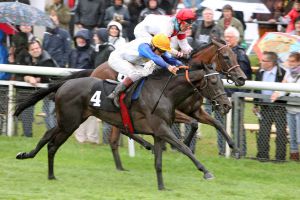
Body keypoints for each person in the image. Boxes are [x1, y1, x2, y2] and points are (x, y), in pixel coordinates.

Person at [107, 33, 181, 107]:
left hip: (131, 61)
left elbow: (170, 59)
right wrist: (168, 66)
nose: (162, 53)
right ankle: (115, 94)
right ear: (154, 46)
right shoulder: (144, 46)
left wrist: (184, 65)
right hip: (117, 58)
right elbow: (154, 57)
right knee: (135, 73)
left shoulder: (157, 47)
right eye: (161, 51)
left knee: (146, 74)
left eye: (164, 51)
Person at [214, 26, 252, 156]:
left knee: (236, 126)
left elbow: (243, 76)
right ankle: (222, 151)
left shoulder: (240, 54)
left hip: (235, 96)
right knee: (220, 125)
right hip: (221, 96)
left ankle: (240, 151)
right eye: (226, 36)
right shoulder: (222, 52)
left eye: (230, 36)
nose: (227, 38)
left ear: (237, 38)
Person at [253, 51, 287, 161]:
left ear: (271, 62)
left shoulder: (282, 72)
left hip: (279, 107)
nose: (261, 62)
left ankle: (280, 158)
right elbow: (257, 89)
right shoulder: (260, 72)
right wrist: (256, 104)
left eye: (263, 60)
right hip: (265, 107)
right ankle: (262, 156)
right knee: (263, 132)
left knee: (281, 133)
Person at [23, 40, 59, 132]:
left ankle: (53, 135)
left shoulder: (47, 60)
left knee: (50, 113)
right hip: (43, 90)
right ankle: (29, 134)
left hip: (54, 90)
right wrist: (28, 78)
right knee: (46, 112)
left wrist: (35, 79)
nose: (36, 50)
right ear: (29, 51)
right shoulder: (27, 59)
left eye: (37, 48)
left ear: (41, 48)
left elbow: (48, 77)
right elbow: (22, 74)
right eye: (33, 49)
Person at [271, 52, 300, 161]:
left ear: (299, 62)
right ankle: (294, 158)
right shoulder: (288, 73)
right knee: (292, 136)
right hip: (290, 108)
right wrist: (277, 93)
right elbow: (283, 87)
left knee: (299, 137)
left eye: (293, 61)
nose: (290, 63)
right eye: (289, 61)